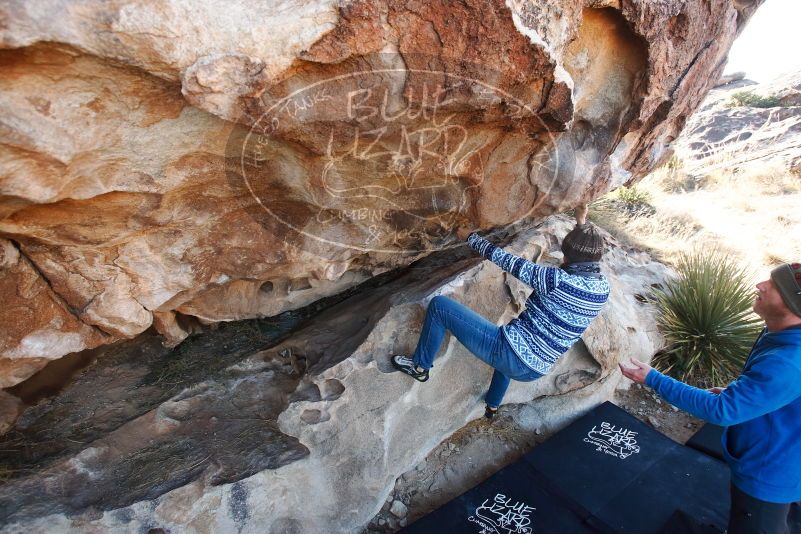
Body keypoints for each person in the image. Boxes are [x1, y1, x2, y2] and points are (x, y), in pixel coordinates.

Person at [620, 263, 801, 534]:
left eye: (774, 287)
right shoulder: (780, 333)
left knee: (759, 524)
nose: (760, 285)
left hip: (770, 471)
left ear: (792, 306)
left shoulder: (788, 362)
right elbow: (769, 390)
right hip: (773, 450)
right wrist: (736, 393)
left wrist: (653, 379)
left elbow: (722, 412)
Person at [391, 205, 610, 418]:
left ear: (568, 256)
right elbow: (586, 256)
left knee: (440, 306)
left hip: (509, 354)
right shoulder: (602, 288)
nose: (563, 258)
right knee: (517, 345)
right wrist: (581, 221)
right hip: (537, 368)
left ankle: (420, 366)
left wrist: (470, 237)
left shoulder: (556, 281)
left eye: (565, 254)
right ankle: (492, 406)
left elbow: (505, 260)